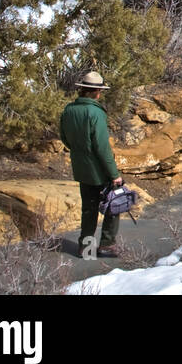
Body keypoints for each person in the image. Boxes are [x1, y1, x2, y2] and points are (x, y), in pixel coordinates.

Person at [59, 71, 123, 258]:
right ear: (95, 92)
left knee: (89, 209)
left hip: (81, 167)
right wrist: (114, 174)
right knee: (113, 206)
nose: (100, 94)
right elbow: (102, 147)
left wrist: (80, 152)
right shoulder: (95, 112)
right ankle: (106, 245)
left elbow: (65, 138)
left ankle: (85, 248)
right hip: (100, 171)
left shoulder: (69, 110)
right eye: (100, 91)